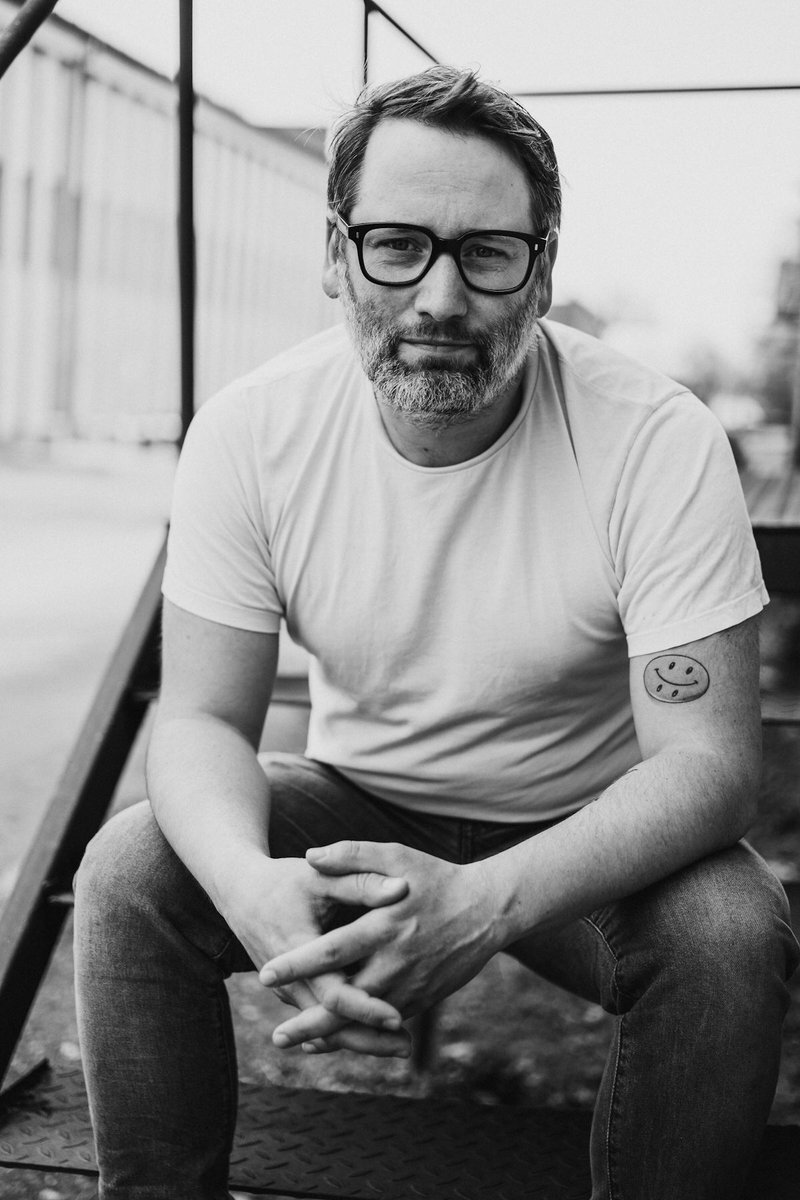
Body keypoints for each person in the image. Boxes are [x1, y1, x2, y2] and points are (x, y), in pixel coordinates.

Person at [74, 65, 798, 1200]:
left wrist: (485, 902)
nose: (440, 298)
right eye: (397, 246)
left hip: (584, 834)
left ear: (541, 269)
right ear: (336, 253)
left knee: (731, 933)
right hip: (356, 808)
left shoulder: (655, 439)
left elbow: (707, 769)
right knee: (133, 871)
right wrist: (247, 884)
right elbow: (203, 716)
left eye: (488, 253)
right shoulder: (251, 431)